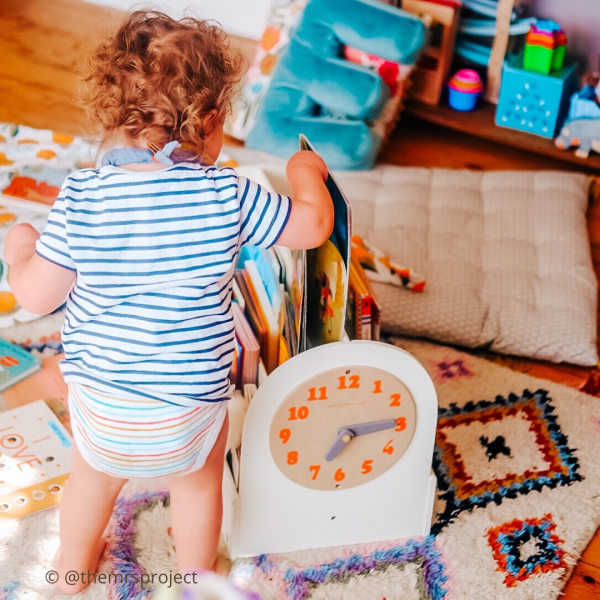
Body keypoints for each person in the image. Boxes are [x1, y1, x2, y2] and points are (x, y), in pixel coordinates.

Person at [4, 10, 333, 595]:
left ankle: (74, 572)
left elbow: (33, 296)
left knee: (89, 484)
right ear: (210, 122)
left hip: (102, 408)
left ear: (111, 115)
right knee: (198, 487)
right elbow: (310, 228)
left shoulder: (82, 197)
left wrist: (20, 244)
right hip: (189, 409)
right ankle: (196, 580)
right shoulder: (226, 192)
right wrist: (306, 171)